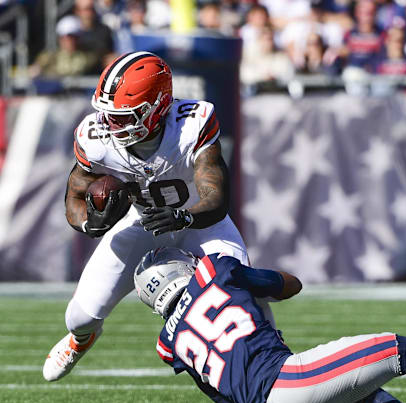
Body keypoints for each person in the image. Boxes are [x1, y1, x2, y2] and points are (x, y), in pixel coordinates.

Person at [42, 51, 254, 382]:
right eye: (109, 115)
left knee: (244, 298)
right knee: (80, 318)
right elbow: (75, 194)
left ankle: (271, 362)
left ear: (157, 108)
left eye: (123, 116)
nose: (112, 125)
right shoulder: (96, 139)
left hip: (200, 223)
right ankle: (81, 341)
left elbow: (216, 198)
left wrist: (184, 217)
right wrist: (88, 222)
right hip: (142, 222)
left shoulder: (191, 125)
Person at [133, 247, 406, 403]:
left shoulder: (168, 346)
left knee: (374, 401)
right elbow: (288, 285)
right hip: (289, 381)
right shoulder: (213, 270)